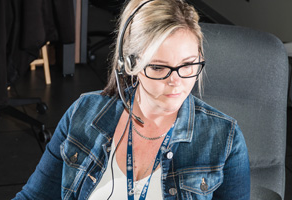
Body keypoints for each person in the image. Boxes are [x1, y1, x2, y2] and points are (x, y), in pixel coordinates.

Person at [13, 0, 250, 199]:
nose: (176, 81)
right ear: (129, 64)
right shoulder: (83, 114)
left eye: (188, 65)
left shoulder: (224, 139)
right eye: (158, 67)